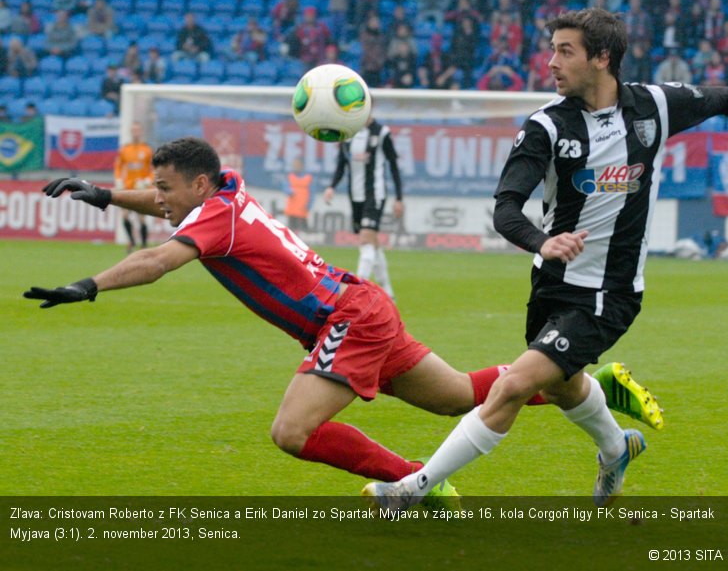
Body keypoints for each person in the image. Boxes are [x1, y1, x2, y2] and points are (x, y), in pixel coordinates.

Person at [363, 7, 728, 510]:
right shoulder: (545, 126)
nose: (551, 62)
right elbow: (505, 209)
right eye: (552, 50)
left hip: (609, 294)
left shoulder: (654, 106)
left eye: (565, 51)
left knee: (516, 385)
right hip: (551, 284)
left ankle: (415, 488)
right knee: (566, 387)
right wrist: (542, 242)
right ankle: (616, 449)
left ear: (603, 58)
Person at [24, 136, 658, 502]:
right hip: (360, 306)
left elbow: (157, 260)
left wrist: (90, 284)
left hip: (346, 318)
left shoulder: (212, 217)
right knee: (460, 397)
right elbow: (165, 210)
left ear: (196, 184)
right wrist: (103, 194)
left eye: (164, 188)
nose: (156, 198)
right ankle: (593, 387)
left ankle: (416, 486)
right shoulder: (223, 192)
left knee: (292, 432)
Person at [323, 113, 403, 300]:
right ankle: (388, 291)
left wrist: (399, 197)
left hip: (375, 193)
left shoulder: (381, 133)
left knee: (365, 241)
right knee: (372, 243)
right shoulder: (347, 134)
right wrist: (331, 186)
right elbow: (341, 165)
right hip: (355, 195)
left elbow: (393, 166)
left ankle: (357, 292)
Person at [114, 121, 154, 252]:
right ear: (131, 132)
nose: (135, 132)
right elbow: (118, 166)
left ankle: (143, 245)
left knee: (141, 218)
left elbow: (154, 169)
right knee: (125, 215)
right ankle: (131, 241)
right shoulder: (125, 150)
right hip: (128, 188)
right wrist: (119, 179)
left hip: (142, 189)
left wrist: (148, 180)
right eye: (133, 130)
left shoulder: (147, 150)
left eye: (137, 130)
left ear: (141, 132)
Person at [283, 157, 312, 232]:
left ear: (302, 165)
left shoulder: (308, 177)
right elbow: (285, 187)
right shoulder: (290, 176)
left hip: (303, 208)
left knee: (303, 228)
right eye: (295, 165)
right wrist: (290, 191)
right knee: (291, 228)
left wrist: (309, 204)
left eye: (298, 165)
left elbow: (312, 193)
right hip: (292, 208)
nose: (296, 166)